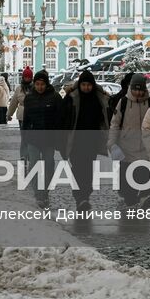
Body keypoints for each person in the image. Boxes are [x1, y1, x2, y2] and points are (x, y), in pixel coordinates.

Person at [60, 69, 111, 210]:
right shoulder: (72, 98)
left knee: (88, 169)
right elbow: (64, 117)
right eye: (84, 85)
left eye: (89, 85)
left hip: (91, 141)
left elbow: (106, 115)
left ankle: (85, 195)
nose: (86, 87)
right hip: (75, 141)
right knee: (77, 168)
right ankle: (79, 197)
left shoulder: (98, 98)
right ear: (80, 85)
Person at [107, 73, 150, 207]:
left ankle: (145, 196)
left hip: (145, 146)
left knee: (144, 173)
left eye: (140, 89)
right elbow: (115, 123)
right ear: (131, 88)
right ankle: (130, 199)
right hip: (127, 147)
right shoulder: (123, 102)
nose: (138, 92)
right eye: (135, 89)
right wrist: (112, 143)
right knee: (128, 176)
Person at [15, 69, 62, 206]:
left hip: (49, 139)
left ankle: (45, 191)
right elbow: (27, 119)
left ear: (46, 84)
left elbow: (60, 118)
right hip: (33, 138)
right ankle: (37, 193)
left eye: (42, 84)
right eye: (37, 84)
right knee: (34, 166)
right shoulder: (29, 98)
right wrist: (25, 136)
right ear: (34, 84)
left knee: (49, 165)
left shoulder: (55, 97)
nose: (40, 87)